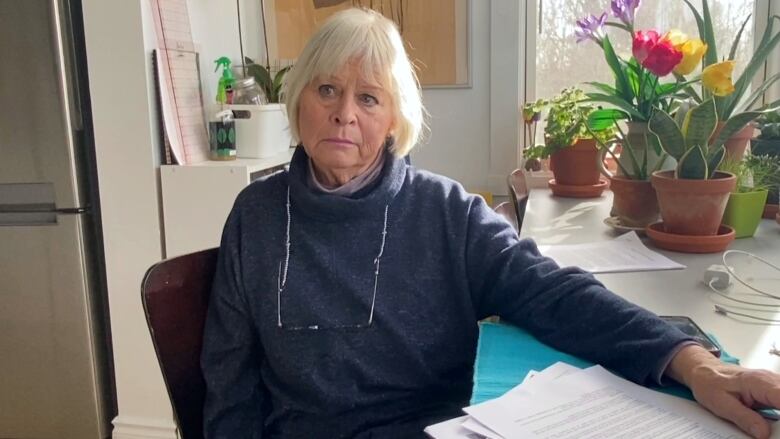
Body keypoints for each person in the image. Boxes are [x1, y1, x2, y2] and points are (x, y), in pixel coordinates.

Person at [201, 8, 780, 439]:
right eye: (327, 89)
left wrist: (694, 363)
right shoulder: (254, 215)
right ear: (300, 97)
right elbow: (229, 380)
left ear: (395, 119)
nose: (344, 113)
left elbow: (556, 295)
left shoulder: (446, 213)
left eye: (369, 98)